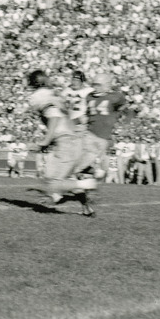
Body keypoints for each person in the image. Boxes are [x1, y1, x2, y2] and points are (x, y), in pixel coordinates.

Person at [26, 69, 97, 217]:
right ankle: (86, 207)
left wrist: (45, 141)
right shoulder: (54, 93)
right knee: (54, 178)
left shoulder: (39, 96)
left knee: (53, 182)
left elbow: (54, 117)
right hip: (70, 138)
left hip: (65, 140)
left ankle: (86, 184)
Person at [83, 73, 127, 180]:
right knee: (84, 161)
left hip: (103, 135)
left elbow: (123, 107)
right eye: (94, 85)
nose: (95, 87)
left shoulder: (116, 96)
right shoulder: (89, 96)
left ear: (107, 85)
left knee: (98, 166)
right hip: (90, 131)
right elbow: (87, 114)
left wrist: (116, 117)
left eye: (99, 85)